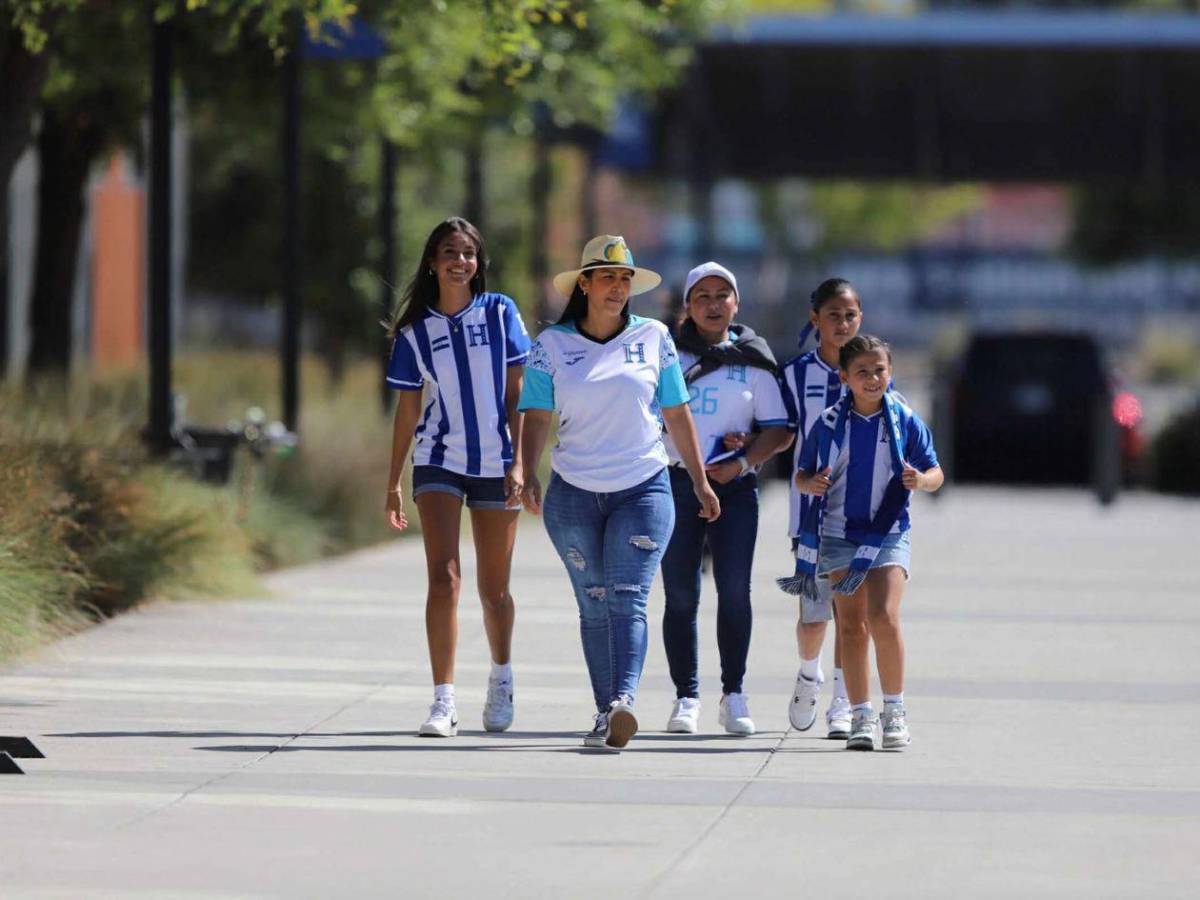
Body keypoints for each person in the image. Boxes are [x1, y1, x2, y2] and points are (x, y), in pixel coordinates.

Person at [519, 235, 720, 751]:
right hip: (574, 495)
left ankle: (621, 702)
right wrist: (526, 470)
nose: (617, 287)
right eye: (607, 277)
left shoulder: (654, 337)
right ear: (584, 283)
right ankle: (606, 710)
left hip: (644, 489)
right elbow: (537, 416)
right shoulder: (551, 346)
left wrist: (698, 479)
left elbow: (677, 412)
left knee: (629, 600)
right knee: (594, 604)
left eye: (625, 279)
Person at [384, 217, 531, 738]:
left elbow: (520, 393)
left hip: (497, 462)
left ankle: (501, 674)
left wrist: (520, 462)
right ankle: (443, 700)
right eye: (450, 252)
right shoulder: (414, 332)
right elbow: (407, 412)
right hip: (438, 458)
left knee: (495, 591)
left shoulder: (501, 313)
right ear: (432, 261)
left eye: (468, 253)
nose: (460, 261)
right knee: (443, 579)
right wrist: (394, 480)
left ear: (478, 263)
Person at [792, 334, 943, 751]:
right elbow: (801, 475)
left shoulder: (904, 420)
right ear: (845, 378)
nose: (872, 378)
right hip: (840, 534)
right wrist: (812, 483)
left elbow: (935, 472)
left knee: (885, 617)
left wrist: (922, 481)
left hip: (890, 532)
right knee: (852, 626)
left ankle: (893, 710)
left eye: (879, 370)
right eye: (862, 371)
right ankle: (860, 714)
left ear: (890, 372)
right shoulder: (827, 425)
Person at [659, 262, 791, 736]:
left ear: (736, 303)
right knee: (680, 592)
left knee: (734, 589)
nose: (713, 305)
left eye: (723, 296)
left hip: (734, 489)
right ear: (687, 306)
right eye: (703, 297)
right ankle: (685, 696)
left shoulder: (752, 357)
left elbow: (779, 428)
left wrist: (742, 461)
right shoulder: (666, 354)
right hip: (674, 484)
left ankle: (733, 693)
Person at [776, 278, 864, 738]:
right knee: (815, 615)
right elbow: (779, 433)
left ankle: (844, 701)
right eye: (834, 315)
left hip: (861, 518)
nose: (843, 323)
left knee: (853, 616)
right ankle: (808, 674)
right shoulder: (795, 375)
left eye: (850, 315)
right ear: (816, 321)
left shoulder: (873, 372)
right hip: (810, 516)